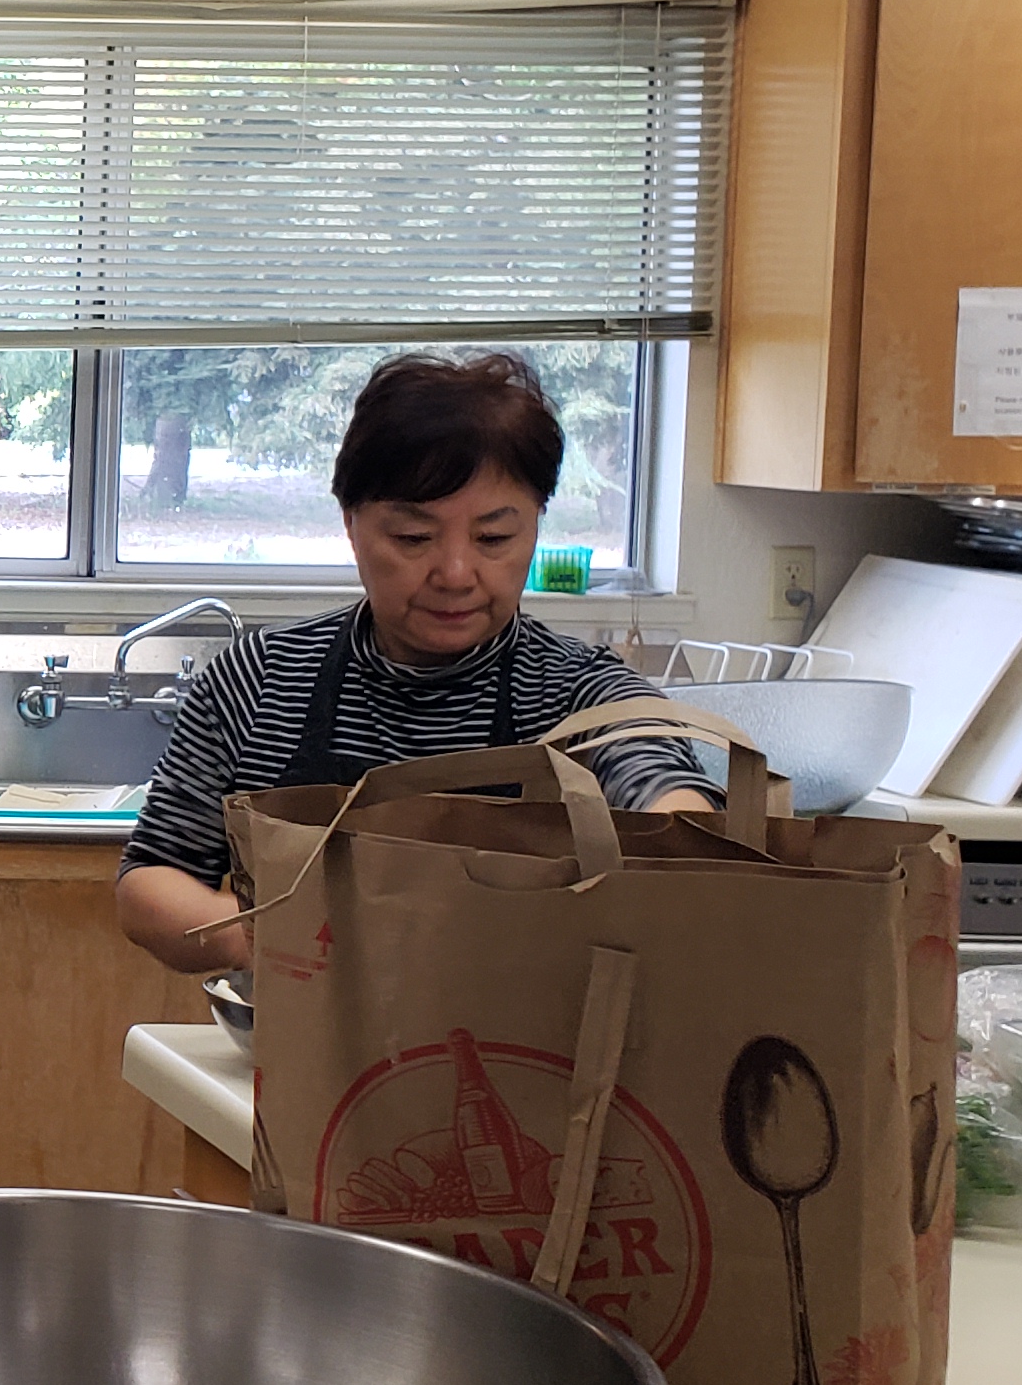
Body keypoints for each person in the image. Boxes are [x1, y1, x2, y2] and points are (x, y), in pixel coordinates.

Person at [115, 350, 718, 976]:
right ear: (351, 525)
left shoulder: (583, 694)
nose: (455, 574)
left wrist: (680, 845)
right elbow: (149, 883)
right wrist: (271, 940)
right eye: (413, 538)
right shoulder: (259, 681)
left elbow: (677, 815)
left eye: (493, 539)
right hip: (300, 1030)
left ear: (537, 524)